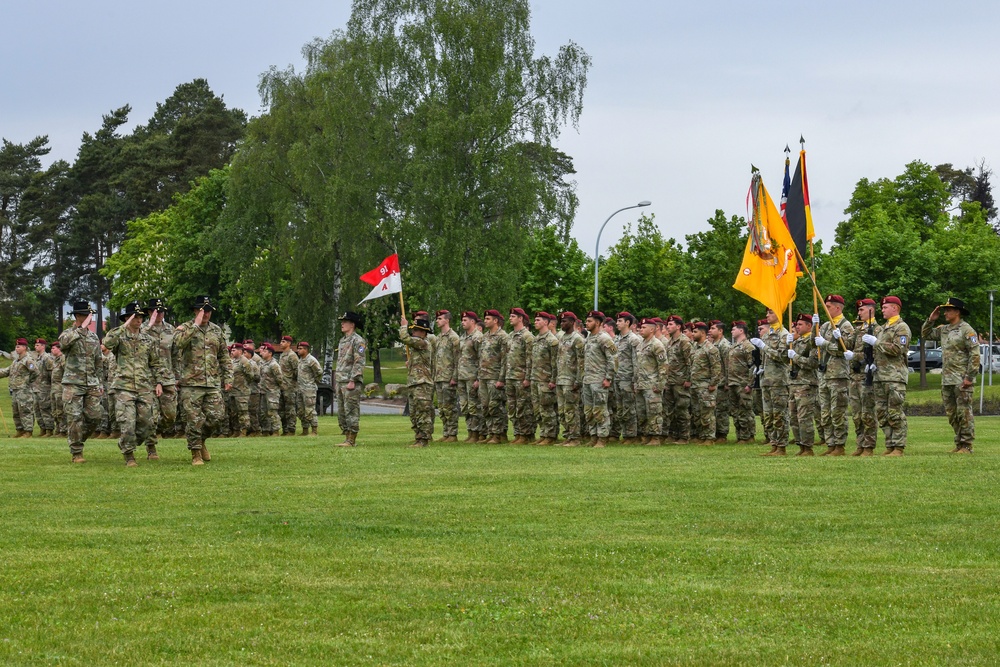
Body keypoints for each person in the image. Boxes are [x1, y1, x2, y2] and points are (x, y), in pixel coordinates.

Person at [103, 301, 167, 466]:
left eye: (140, 317)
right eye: (135, 316)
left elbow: (155, 363)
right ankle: (129, 455)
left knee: (147, 422)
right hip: (124, 386)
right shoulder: (120, 336)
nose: (138, 320)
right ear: (127, 318)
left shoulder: (148, 339)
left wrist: (159, 382)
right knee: (127, 422)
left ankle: (127, 443)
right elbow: (107, 343)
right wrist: (124, 326)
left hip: (144, 386)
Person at [173, 296, 232, 465]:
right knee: (193, 419)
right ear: (195, 311)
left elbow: (224, 357)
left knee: (217, 417)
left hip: (212, 382)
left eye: (208, 311)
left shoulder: (216, 331)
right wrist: (196, 325)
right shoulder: (184, 328)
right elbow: (178, 343)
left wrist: (228, 377)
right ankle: (196, 453)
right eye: (202, 310)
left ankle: (201, 441)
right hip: (191, 383)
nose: (205, 314)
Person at [922, 297, 980, 453]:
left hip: (962, 379)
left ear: (957, 311)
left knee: (964, 412)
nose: (945, 313)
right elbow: (925, 334)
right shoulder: (944, 329)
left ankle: (967, 444)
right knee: (952, 414)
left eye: (948, 309)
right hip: (947, 379)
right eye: (945, 310)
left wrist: (969, 377)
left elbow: (974, 355)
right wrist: (931, 320)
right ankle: (959, 443)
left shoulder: (967, 330)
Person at [865, 296, 911, 456]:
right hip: (880, 376)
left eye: (885, 307)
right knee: (882, 413)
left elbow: (898, 349)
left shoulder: (902, 328)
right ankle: (890, 445)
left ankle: (899, 447)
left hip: (894, 377)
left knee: (894, 412)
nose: (882, 310)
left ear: (895, 308)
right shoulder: (883, 328)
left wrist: (876, 343)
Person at [58, 301, 103, 462]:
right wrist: (80, 329)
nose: (90, 318)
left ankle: (77, 437)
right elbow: (63, 344)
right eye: (87, 315)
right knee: (74, 417)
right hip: (73, 383)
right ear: (78, 316)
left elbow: (99, 361)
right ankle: (77, 452)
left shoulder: (93, 337)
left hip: (91, 383)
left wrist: (100, 383)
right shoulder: (68, 333)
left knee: (96, 416)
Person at [814, 295, 856, 456]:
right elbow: (814, 342)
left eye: (829, 306)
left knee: (837, 411)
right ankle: (830, 443)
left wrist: (825, 344)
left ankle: (839, 445)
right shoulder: (824, 326)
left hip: (838, 374)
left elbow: (844, 349)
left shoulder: (846, 326)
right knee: (825, 412)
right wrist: (814, 325)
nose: (826, 309)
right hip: (824, 374)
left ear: (838, 308)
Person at [751, 308, 791, 456]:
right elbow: (765, 357)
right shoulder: (768, 334)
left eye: (771, 313)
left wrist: (764, 346)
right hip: (767, 380)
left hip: (779, 380)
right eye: (767, 313)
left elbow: (782, 357)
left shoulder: (784, 334)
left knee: (779, 415)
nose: (767, 315)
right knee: (769, 415)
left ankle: (781, 447)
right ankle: (774, 444)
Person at [142, 298, 178, 452]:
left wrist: (178, 376)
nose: (160, 314)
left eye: (162, 311)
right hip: (148, 378)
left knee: (171, 415)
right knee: (151, 415)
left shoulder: (171, 330)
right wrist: (148, 327)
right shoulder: (142, 329)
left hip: (167, 377)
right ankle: (151, 447)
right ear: (150, 312)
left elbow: (177, 355)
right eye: (156, 311)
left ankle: (151, 431)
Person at [581, 310, 617, 447]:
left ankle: (602, 437)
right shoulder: (589, 338)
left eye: (589, 321)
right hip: (588, 379)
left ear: (597, 322)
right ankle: (593, 436)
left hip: (599, 380)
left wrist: (608, 378)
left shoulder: (604, 338)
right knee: (589, 411)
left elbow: (613, 359)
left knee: (600, 409)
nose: (587, 323)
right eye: (586, 320)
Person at [849, 298, 880, 456]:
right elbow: (847, 344)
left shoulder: (878, 329)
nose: (859, 313)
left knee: (867, 413)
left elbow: (876, 353)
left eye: (861, 310)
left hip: (867, 375)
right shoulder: (858, 329)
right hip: (854, 376)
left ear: (871, 310)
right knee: (856, 414)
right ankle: (860, 444)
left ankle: (869, 446)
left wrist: (854, 356)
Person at [787, 313, 820, 456]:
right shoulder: (797, 341)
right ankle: (801, 446)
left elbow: (813, 363)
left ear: (809, 326)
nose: (797, 327)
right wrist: (786, 344)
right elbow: (784, 358)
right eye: (796, 324)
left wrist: (795, 356)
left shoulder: (811, 343)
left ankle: (808, 447)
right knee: (794, 417)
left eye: (800, 324)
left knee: (804, 418)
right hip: (794, 384)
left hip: (806, 384)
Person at [400, 313, 435, 447]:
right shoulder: (418, 346)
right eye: (412, 329)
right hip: (414, 382)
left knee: (422, 412)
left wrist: (404, 326)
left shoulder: (423, 342)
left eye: (415, 330)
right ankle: (418, 437)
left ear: (422, 332)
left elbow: (405, 338)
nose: (413, 332)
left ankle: (424, 439)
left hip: (422, 383)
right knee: (414, 413)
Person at [334, 312, 366, 447]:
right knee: (341, 412)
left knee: (351, 411)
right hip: (341, 380)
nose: (342, 323)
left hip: (350, 381)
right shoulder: (343, 340)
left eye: (345, 321)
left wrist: (353, 379)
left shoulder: (358, 340)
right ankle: (346, 436)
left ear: (352, 324)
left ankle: (351, 439)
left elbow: (359, 362)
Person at [504, 307, 536, 444]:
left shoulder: (527, 336)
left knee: (524, 407)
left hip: (521, 376)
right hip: (510, 376)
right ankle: (517, 433)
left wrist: (528, 377)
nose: (510, 318)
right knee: (512, 407)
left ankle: (526, 434)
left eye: (513, 316)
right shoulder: (510, 335)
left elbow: (530, 359)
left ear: (520, 318)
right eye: (510, 316)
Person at [634, 317, 667, 445]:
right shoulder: (641, 344)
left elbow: (663, 366)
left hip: (652, 384)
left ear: (652, 329)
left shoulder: (657, 344)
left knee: (654, 411)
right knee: (642, 412)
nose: (641, 330)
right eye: (640, 328)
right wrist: (636, 382)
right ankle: (646, 436)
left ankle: (655, 437)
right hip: (641, 384)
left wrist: (660, 384)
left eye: (643, 328)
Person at [476, 309, 507, 444]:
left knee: (495, 406)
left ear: (495, 321)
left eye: (488, 319)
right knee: (485, 406)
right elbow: (481, 358)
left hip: (495, 376)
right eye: (485, 318)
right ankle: (491, 432)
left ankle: (498, 434)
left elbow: (505, 360)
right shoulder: (485, 337)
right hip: (483, 376)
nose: (485, 321)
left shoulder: (503, 337)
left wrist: (501, 379)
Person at [429, 310, 460, 443]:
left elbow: (457, 359)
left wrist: (454, 377)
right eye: (437, 319)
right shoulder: (439, 338)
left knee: (450, 407)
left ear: (447, 320)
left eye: (440, 318)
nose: (437, 321)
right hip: (439, 377)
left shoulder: (453, 337)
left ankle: (452, 434)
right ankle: (446, 432)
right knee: (442, 407)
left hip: (448, 377)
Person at [688, 322, 722, 445]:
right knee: (697, 412)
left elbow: (716, 367)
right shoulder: (695, 347)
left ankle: (709, 437)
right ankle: (701, 436)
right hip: (695, 385)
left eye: (695, 332)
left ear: (703, 333)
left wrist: (713, 383)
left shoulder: (710, 348)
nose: (692, 334)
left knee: (707, 412)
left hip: (706, 385)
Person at [529, 312, 560, 444]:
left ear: (546, 323)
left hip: (546, 380)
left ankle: (550, 436)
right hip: (535, 378)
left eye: (538, 320)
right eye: (535, 320)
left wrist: (553, 379)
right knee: (538, 409)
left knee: (547, 409)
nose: (535, 322)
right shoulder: (536, 339)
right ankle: (543, 433)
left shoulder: (552, 340)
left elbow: (555, 362)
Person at [662, 315, 693, 444]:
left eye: (671, 324)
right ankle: (673, 434)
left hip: (681, 381)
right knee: (669, 409)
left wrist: (688, 379)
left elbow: (690, 362)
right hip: (670, 381)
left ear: (678, 326)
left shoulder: (684, 341)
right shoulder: (669, 342)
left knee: (682, 409)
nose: (668, 327)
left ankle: (684, 436)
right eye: (667, 325)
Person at [556, 312, 585, 446]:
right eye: (561, 322)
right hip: (561, 378)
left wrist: (578, 380)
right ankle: (568, 435)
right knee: (562, 411)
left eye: (565, 321)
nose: (562, 324)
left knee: (571, 410)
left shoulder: (577, 339)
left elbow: (581, 361)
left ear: (573, 322)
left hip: (571, 379)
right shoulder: (562, 337)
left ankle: (575, 438)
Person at [0, 338, 38, 437]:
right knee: (16, 411)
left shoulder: (28, 360)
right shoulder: (16, 361)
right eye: (16, 346)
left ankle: (28, 431)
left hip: (24, 390)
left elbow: (35, 372)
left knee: (25, 410)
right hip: (15, 389)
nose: (16, 348)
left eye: (18, 346)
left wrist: (27, 382)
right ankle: (20, 430)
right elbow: (7, 371)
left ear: (24, 347)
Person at [614, 312, 641, 444]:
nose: (617, 323)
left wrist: (635, 381)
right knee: (620, 408)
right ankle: (625, 434)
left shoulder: (633, 339)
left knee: (629, 407)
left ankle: (632, 435)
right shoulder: (618, 339)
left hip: (628, 378)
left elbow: (636, 362)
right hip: (618, 377)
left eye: (620, 321)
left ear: (627, 323)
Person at [457, 311, 483, 442]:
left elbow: (481, 359)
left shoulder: (478, 337)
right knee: (465, 406)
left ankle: (477, 433)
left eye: (465, 320)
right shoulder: (463, 337)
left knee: (474, 406)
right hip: (462, 376)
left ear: (473, 321)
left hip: (472, 376)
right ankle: (470, 432)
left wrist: (479, 378)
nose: (463, 322)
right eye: (462, 320)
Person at [708, 321, 731, 442]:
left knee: (722, 409)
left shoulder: (724, 345)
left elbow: (727, 365)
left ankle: (722, 434)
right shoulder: (713, 344)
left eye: (713, 328)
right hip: (716, 382)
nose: (710, 331)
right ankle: (717, 432)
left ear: (720, 331)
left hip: (722, 383)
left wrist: (727, 382)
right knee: (715, 409)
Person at [295, 341, 323, 435]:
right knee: (301, 410)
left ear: (306, 349)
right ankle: (305, 430)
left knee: (310, 410)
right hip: (300, 388)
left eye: (300, 349)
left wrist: (313, 381)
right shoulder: (301, 360)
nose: (298, 350)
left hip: (309, 389)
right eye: (298, 348)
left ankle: (314, 430)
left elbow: (319, 372)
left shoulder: (311, 360)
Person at [30, 338, 55, 436]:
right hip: (36, 387)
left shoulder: (47, 358)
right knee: (37, 410)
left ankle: (49, 429)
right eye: (35, 345)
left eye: (38, 345)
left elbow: (51, 373)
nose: (36, 347)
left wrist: (49, 386)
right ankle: (42, 429)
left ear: (43, 346)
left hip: (45, 388)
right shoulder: (36, 358)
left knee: (45, 409)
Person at [278, 336, 300, 436]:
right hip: (282, 386)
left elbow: (297, 371)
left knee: (290, 409)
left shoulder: (292, 356)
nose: (281, 343)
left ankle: (291, 429)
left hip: (290, 387)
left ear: (289, 343)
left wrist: (292, 383)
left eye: (283, 342)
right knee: (282, 409)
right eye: (281, 341)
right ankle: (285, 429)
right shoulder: (282, 355)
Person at [48, 341, 67, 437]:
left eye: (54, 348)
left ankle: (63, 430)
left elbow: (66, 372)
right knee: (54, 410)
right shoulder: (55, 360)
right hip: (54, 388)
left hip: (60, 387)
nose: (52, 350)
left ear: (59, 348)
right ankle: (58, 429)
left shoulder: (63, 359)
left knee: (61, 410)